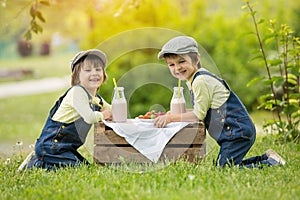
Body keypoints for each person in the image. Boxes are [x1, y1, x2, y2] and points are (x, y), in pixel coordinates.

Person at [154, 36, 286, 168]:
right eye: (171, 64)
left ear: (196, 58)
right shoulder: (195, 78)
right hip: (235, 130)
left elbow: (198, 115)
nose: (177, 68)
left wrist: (171, 118)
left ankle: (272, 163)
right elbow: (202, 110)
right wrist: (176, 114)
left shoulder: (200, 81)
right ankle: (266, 158)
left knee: (224, 168)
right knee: (228, 165)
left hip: (236, 131)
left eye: (181, 61)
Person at [22, 49, 112, 171]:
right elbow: (90, 117)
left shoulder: (96, 99)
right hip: (51, 146)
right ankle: (40, 163)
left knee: (86, 167)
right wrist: (104, 115)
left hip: (67, 148)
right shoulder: (77, 92)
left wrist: (117, 109)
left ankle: (44, 160)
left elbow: (111, 110)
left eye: (98, 69)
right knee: (78, 169)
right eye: (88, 70)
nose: (94, 73)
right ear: (77, 76)